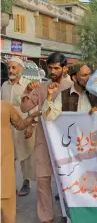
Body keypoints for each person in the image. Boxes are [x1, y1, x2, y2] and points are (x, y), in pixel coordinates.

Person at [20, 53, 73, 223]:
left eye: (56, 68)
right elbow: (25, 106)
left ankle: (70, 215)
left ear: (65, 68)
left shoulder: (73, 87)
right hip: (44, 140)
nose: (52, 71)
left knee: (69, 179)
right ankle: (46, 217)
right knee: (43, 180)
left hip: (67, 142)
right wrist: (28, 90)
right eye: (50, 68)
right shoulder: (42, 87)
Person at [1, 57, 36, 197]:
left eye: (14, 67)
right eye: (9, 67)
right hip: (7, 126)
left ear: (21, 69)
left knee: (25, 155)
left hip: (23, 125)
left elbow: (33, 108)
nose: (10, 70)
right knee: (8, 157)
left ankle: (26, 183)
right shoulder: (4, 85)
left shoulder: (28, 85)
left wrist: (31, 126)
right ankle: (10, 185)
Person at [1, 101, 40, 223]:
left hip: (4, 163)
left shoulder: (5, 106)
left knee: (7, 202)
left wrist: (32, 116)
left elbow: (20, 124)